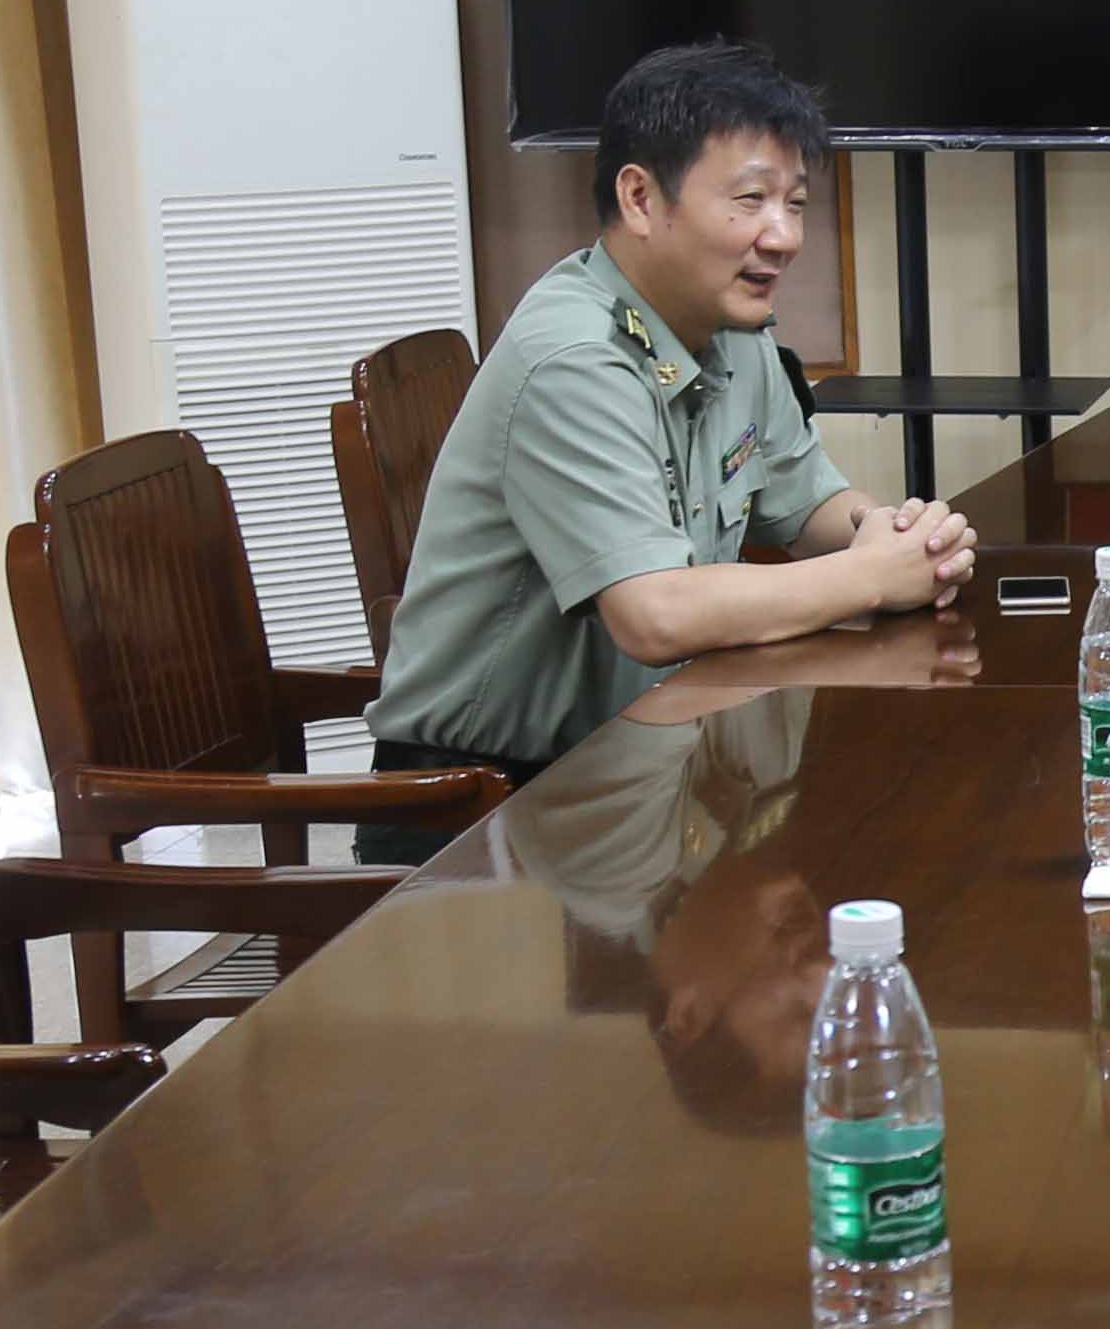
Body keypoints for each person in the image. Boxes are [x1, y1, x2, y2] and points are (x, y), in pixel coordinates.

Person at [367, 42, 975, 829]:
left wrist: (895, 534)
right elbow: (656, 615)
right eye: (751, 199)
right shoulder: (575, 359)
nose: (784, 236)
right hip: (485, 809)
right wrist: (870, 577)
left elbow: (804, 504)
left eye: (795, 203)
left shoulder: (731, 330)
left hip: (644, 766)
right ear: (641, 198)